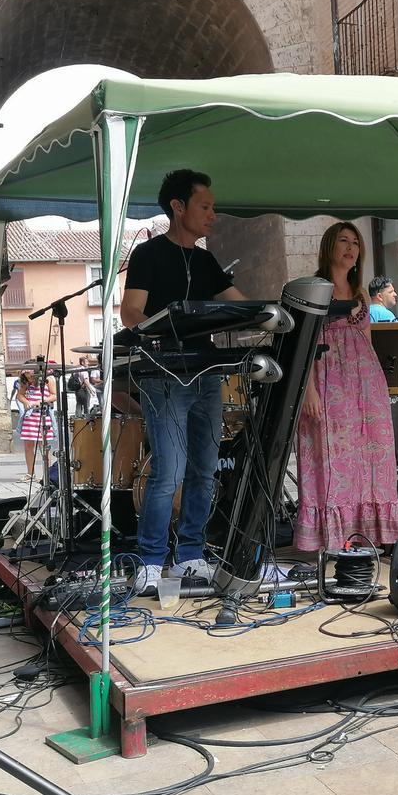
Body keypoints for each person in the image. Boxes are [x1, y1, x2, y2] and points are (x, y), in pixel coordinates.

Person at [120, 169, 248, 593]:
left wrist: (275, 313)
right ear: (178, 207)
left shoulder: (207, 261)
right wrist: (165, 334)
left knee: (204, 470)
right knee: (168, 473)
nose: (213, 214)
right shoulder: (148, 255)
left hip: (207, 374)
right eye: (205, 206)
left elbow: (242, 308)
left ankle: (190, 555)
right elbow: (131, 312)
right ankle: (151, 562)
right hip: (164, 376)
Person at [296, 221, 398, 551]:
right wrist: (309, 390)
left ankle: (371, 532)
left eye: (355, 243)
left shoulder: (360, 295)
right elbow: (303, 345)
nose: (350, 247)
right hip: (326, 378)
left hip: (365, 381)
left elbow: (366, 342)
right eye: (343, 240)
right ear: (329, 246)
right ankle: (331, 536)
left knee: (374, 454)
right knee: (332, 457)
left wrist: (375, 389)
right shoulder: (313, 289)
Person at [16, 368, 56, 481]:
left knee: (44, 446)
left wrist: (42, 401)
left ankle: (47, 475)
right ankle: (30, 473)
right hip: (30, 417)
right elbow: (19, 395)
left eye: (31, 375)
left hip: (43, 415)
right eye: (27, 375)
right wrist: (26, 402)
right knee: (28, 446)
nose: (29, 378)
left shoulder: (47, 380)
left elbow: (54, 395)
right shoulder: (25, 382)